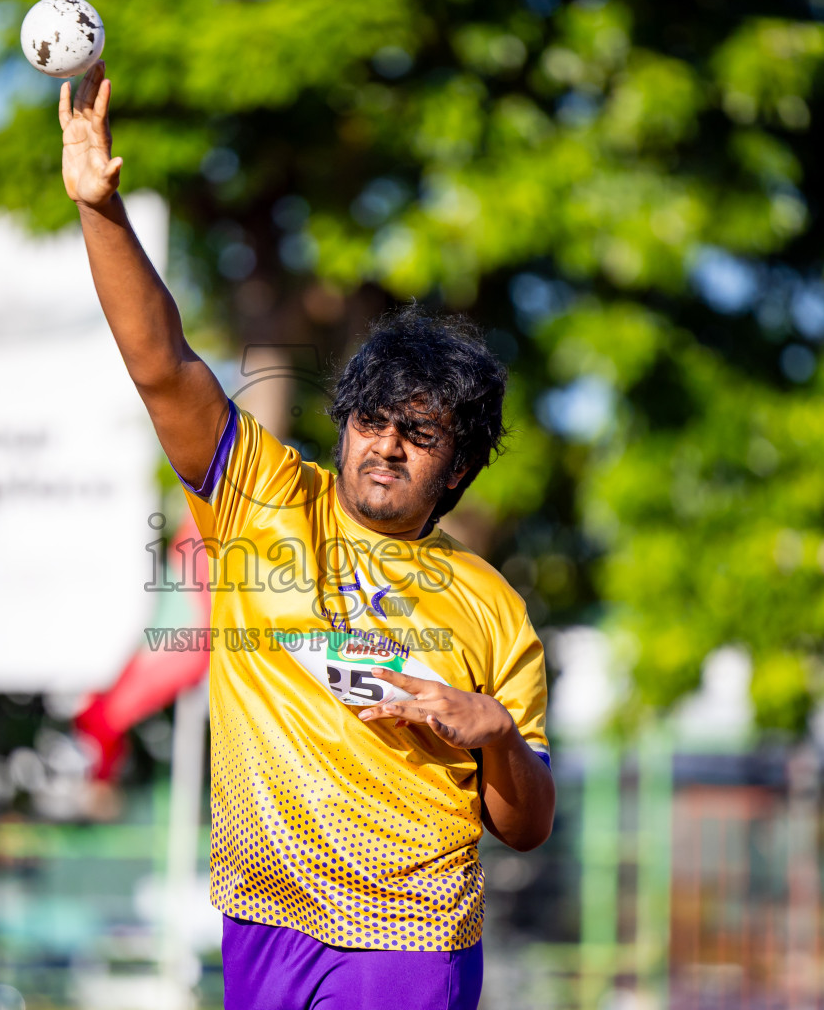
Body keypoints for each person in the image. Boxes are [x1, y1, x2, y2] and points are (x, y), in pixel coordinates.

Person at [59, 61, 555, 1010]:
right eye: (373, 420)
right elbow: (163, 364)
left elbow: (524, 825)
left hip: (405, 943)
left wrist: (494, 735)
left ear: (456, 467)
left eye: (419, 435)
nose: (387, 447)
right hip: (265, 923)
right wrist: (100, 211)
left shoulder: (492, 608)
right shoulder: (263, 495)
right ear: (343, 423)